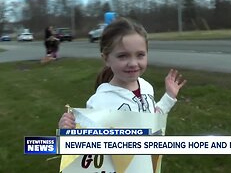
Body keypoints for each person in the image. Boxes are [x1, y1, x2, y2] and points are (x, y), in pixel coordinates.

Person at [58, 17, 187, 172]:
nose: (133, 63)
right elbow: (86, 152)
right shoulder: (100, 102)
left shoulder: (146, 87)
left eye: (140, 55)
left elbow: (152, 118)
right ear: (106, 58)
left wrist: (169, 97)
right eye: (122, 56)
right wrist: (67, 133)